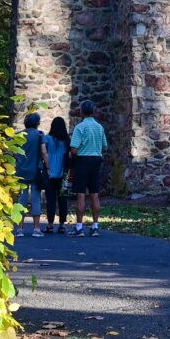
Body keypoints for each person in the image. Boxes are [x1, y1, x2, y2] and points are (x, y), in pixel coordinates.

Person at [68, 99, 108, 236]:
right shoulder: (99, 127)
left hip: (82, 161)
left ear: (81, 111)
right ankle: (95, 226)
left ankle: (79, 227)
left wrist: (78, 152)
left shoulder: (80, 127)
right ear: (93, 111)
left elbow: (74, 149)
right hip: (96, 160)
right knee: (95, 194)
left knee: (81, 194)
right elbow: (105, 146)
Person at [15, 111, 48, 237]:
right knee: (36, 199)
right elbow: (44, 152)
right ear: (37, 123)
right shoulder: (40, 135)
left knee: (21, 200)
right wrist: (48, 167)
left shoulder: (19, 135)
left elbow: (8, 148)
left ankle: (20, 229)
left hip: (21, 171)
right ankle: (36, 229)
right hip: (35, 171)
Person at [41, 115, 72, 234]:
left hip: (50, 173)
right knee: (63, 199)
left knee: (50, 200)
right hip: (63, 173)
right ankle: (62, 224)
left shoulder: (47, 138)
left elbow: (43, 152)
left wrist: (47, 167)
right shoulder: (66, 140)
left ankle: (50, 225)